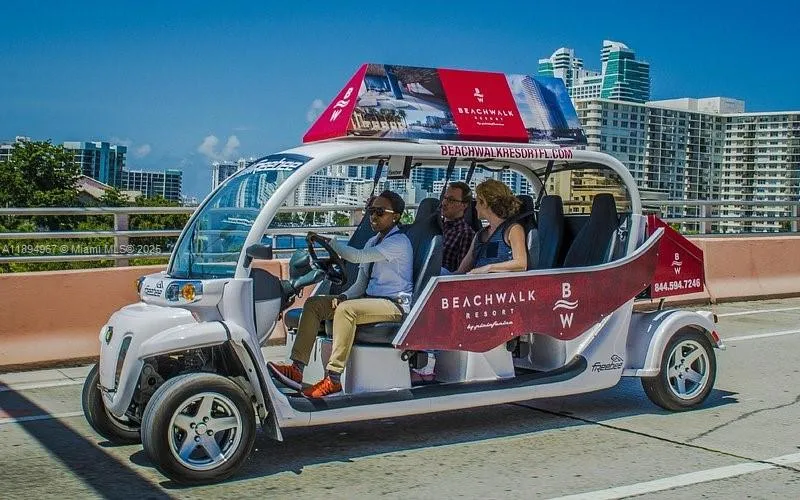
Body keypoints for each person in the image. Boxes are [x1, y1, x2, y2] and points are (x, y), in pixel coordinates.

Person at [268, 190, 413, 398]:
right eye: (371, 211)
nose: (373, 216)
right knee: (315, 304)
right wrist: (343, 297)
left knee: (346, 311)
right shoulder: (373, 242)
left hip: (394, 304)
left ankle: (333, 379)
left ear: (395, 217)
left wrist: (331, 242)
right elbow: (361, 283)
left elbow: (356, 257)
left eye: (380, 212)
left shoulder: (398, 243)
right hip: (370, 300)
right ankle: (296, 369)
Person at [456, 179, 527, 274]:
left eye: (477, 202)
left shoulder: (513, 230)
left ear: (485, 203)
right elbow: (461, 271)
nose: (475, 207)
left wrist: (488, 268)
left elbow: (521, 264)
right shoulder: (479, 235)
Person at [441, 181, 476, 273]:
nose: (444, 203)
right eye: (444, 198)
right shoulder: (435, 226)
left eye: (451, 200)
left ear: (464, 205)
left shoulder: (465, 233)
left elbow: (461, 273)